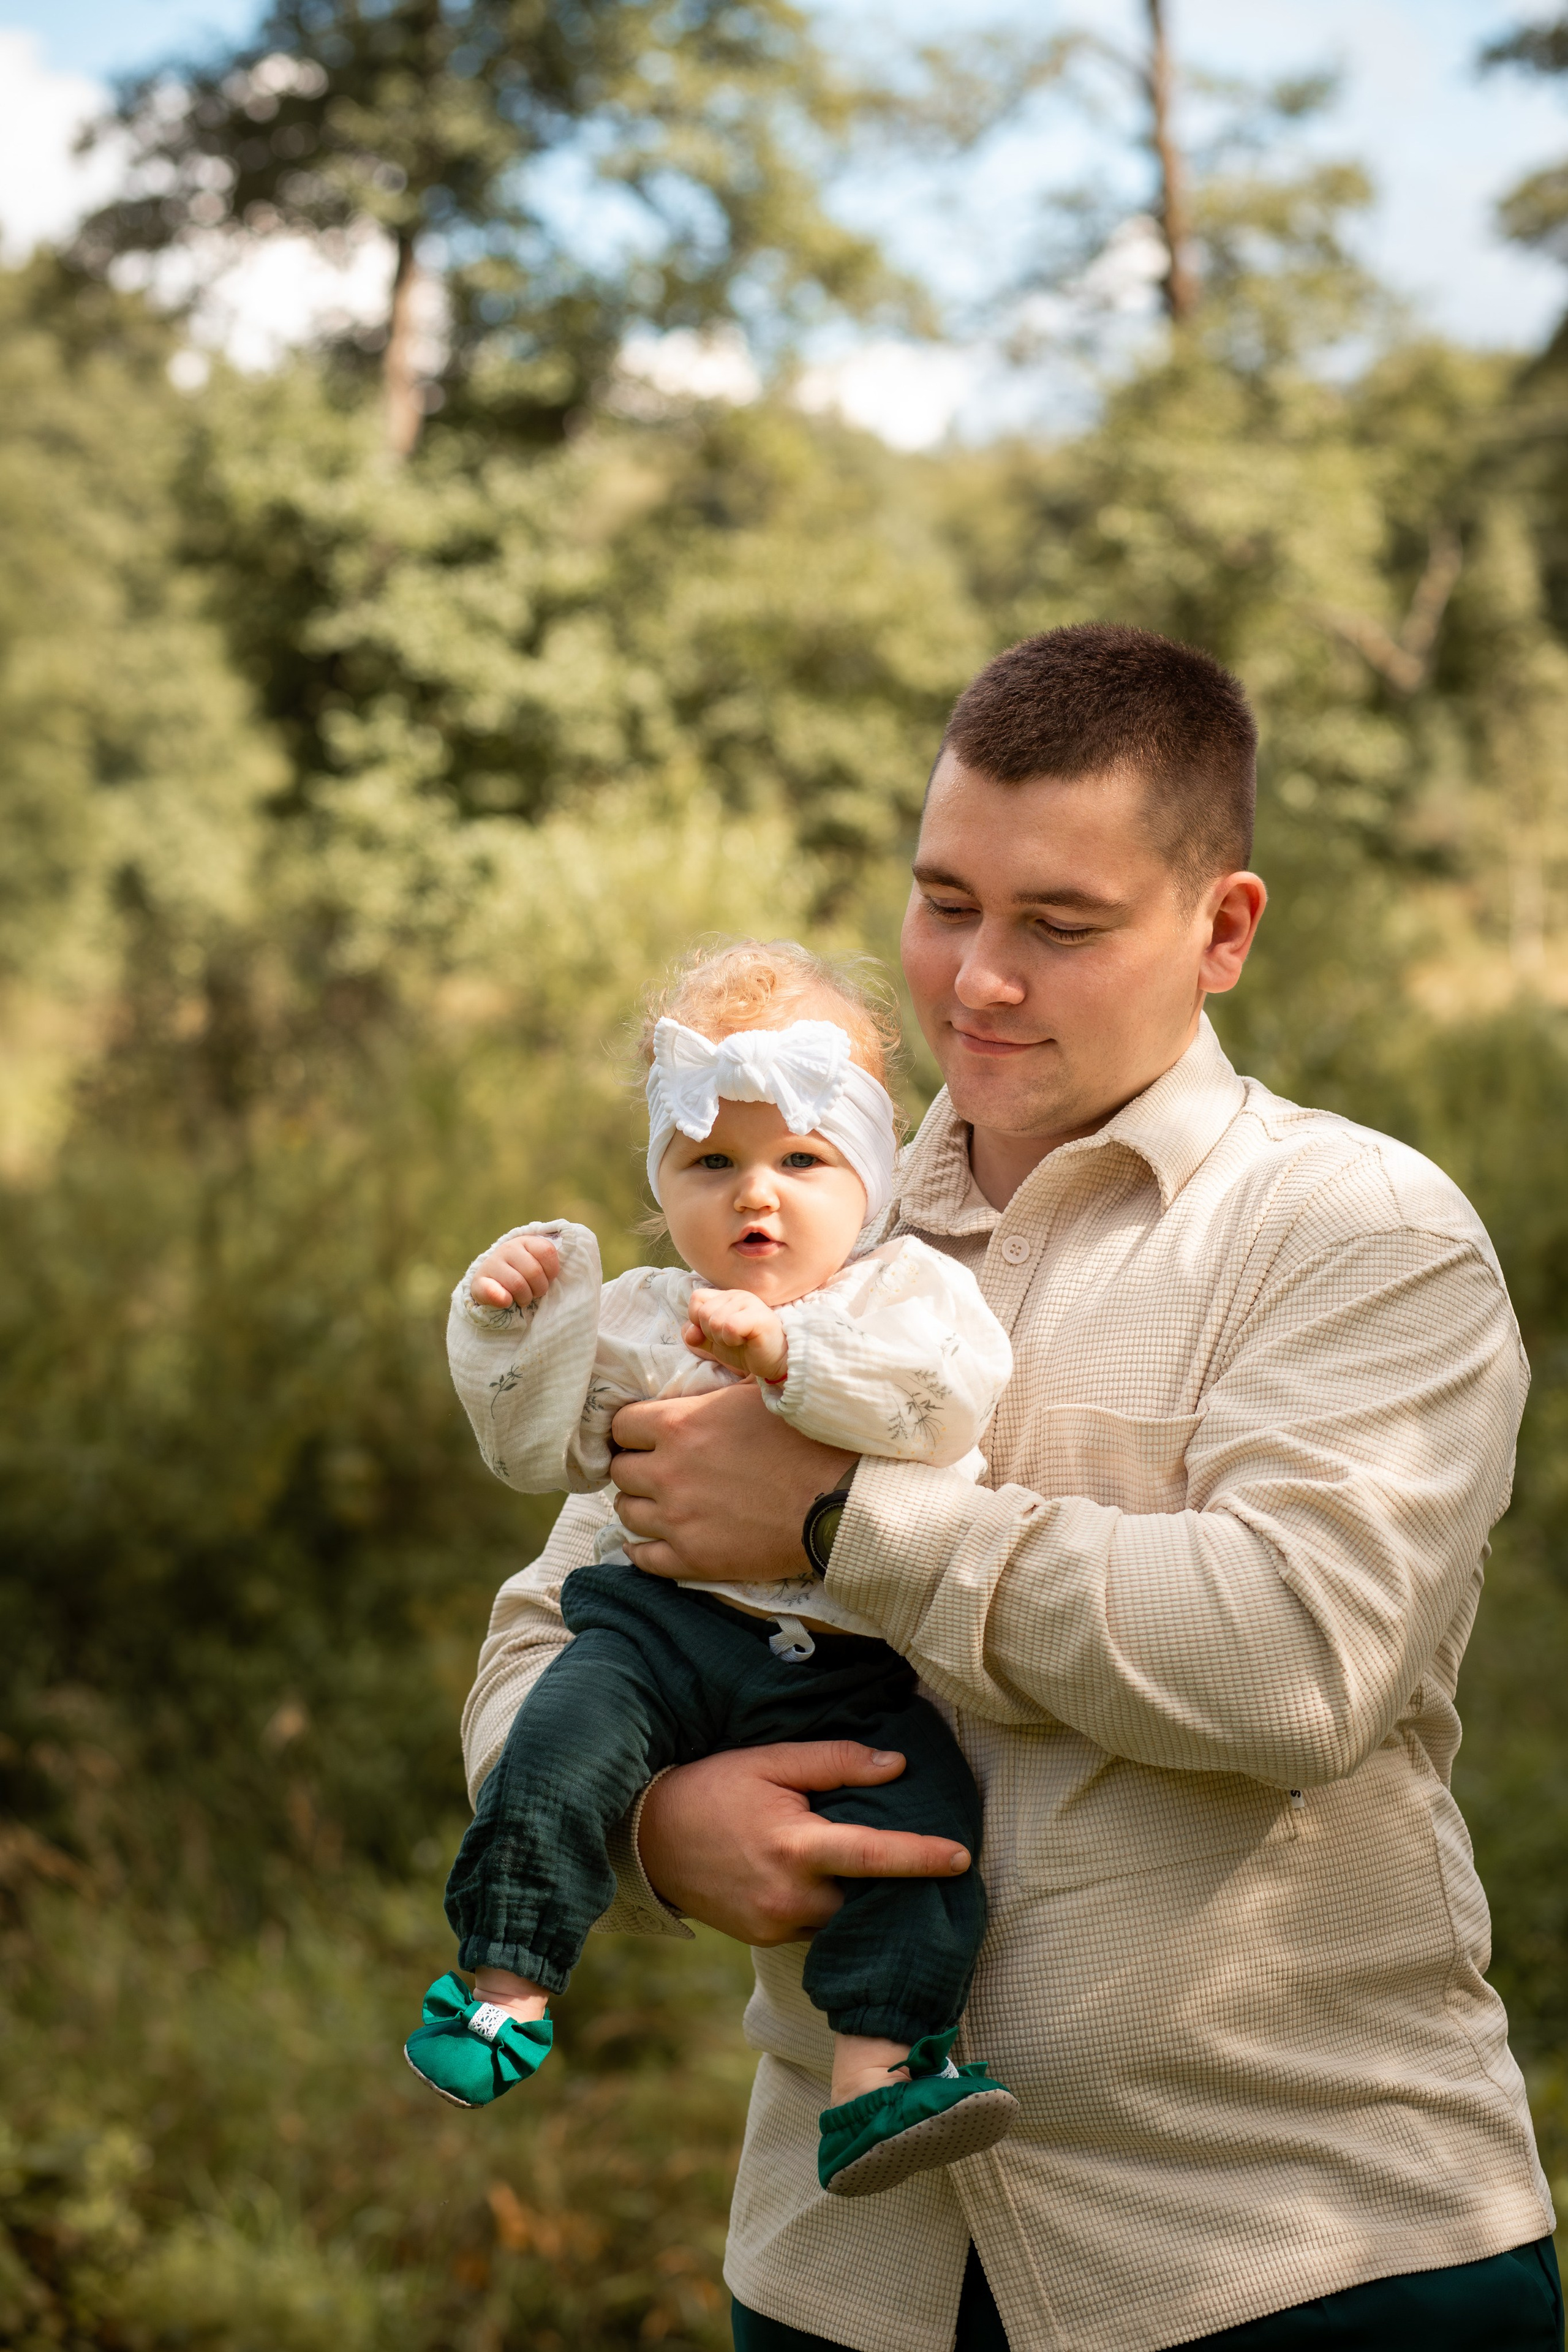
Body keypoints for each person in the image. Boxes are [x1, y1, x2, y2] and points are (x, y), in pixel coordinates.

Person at [461, 625, 1561, 2352]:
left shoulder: (1359, 1230)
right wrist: (659, 1834)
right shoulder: (800, 1211)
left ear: (1223, 930)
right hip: (846, 2272)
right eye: (943, 900)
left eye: (1059, 926)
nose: (975, 978)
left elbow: (1300, 1664)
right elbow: (543, 1639)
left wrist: (839, 1524)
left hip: (1298, 2257)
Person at [409, 941, 1020, 2199]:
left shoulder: (911, 1294)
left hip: (850, 1668)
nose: (759, 1194)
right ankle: (500, 1981)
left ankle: (877, 2078)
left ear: (871, 1175)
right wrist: (503, 1331)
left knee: (926, 1829)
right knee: (560, 1742)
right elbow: (543, 1453)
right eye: (711, 1164)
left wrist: (789, 1360)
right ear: (662, 1188)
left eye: (801, 1160)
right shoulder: (643, 1314)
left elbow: (941, 1408)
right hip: (658, 1634)